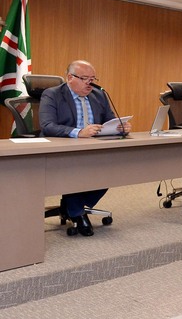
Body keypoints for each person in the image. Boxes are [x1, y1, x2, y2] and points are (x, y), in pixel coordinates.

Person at [39, 60, 132, 236]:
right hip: (63, 149)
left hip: (94, 148)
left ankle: (73, 205)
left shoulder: (99, 95)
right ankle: (76, 211)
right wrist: (78, 132)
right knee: (76, 169)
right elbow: (47, 125)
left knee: (114, 169)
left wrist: (120, 126)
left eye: (93, 78)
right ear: (70, 78)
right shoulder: (52, 94)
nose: (90, 83)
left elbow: (109, 120)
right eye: (85, 78)